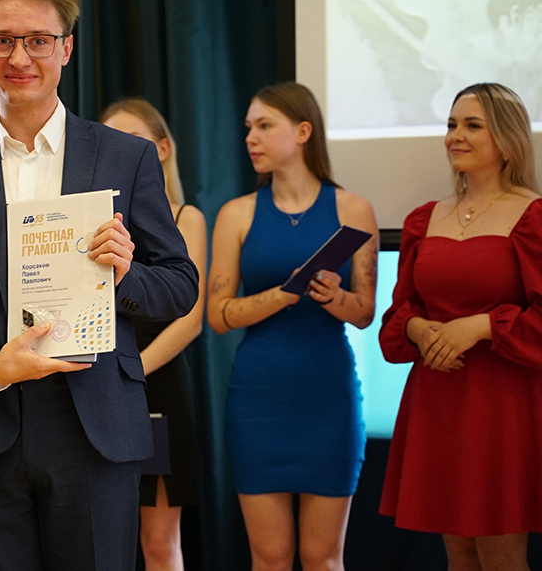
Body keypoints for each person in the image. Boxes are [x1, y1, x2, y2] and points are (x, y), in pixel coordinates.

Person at [0, 0, 199, 571]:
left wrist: (126, 273)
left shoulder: (126, 157)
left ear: (65, 48)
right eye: (2, 41)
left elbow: (179, 285)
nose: (20, 57)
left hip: (95, 423)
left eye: (38, 40)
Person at [206, 82, 378, 571]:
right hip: (258, 400)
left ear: (303, 132)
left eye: (264, 125)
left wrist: (335, 297)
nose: (250, 138)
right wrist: (284, 293)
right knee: (270, 558)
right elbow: (218, 315)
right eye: (248, 127)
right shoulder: (237, 214)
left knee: (323, 559)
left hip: (329, 397)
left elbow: (365, 312)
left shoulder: (353, 209)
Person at [379, 83, 542, 571]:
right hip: (438, 398)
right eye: (452, 125)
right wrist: (418, 330)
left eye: (472, 125)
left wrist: (481, 326)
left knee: (501, 555)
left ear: (507, 139)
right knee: (459, 554)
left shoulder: (533, 216)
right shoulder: (423, 219)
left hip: (503, 402)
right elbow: (399, 314)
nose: (456, 136)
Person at [99, 98, 206, 571]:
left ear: (162, 149)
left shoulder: (186, 218)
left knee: (159, 541)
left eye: (132, 139)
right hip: (97, 391)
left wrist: (132, 369)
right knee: (100, 538)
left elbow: (191, 317)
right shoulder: (90, 220)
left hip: (156, 389)